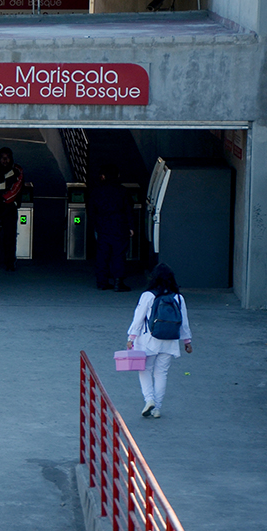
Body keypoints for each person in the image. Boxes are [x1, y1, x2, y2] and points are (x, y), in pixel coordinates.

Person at [126, 263, 194, 419]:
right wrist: (187, 341)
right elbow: (183, 322)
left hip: (148, 341)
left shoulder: (148, 296)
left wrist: (131, 337)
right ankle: (157, 408)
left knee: (145, 370)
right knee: (161, 373)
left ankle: (149, 399)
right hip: (169, 341)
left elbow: (138, 318)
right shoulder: (178, 298)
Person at [89, 163, 133, 291]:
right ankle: (118, 282)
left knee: (102, 255)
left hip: (102, 227)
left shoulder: (97, 191)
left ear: (103, 176)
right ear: (117, 175)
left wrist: (94, 225)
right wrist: (131, 227)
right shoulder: (123, 191)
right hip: (120, 226)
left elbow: (91, 210)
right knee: (118, 255)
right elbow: (129, 209)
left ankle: (102, 282)